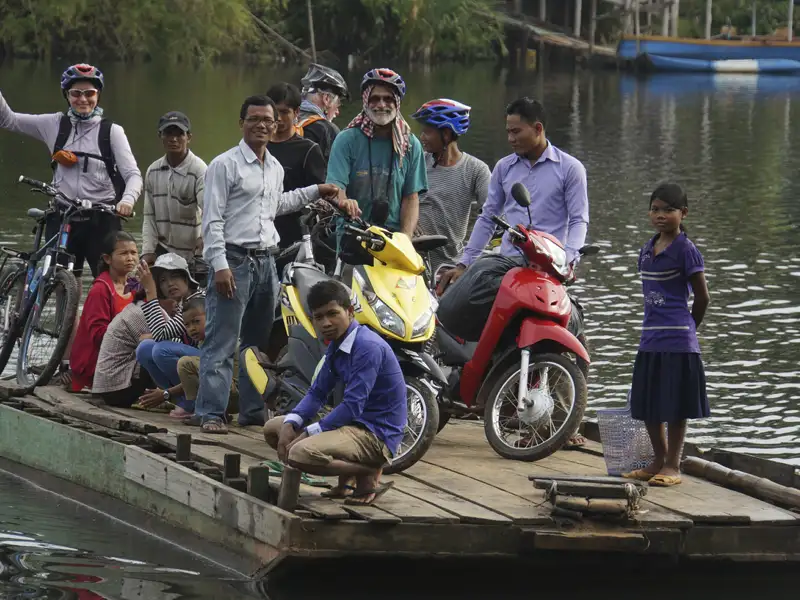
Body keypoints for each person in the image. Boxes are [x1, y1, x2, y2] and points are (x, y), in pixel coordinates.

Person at [188, 95, 357, 434]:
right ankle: (210, 413)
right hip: (234, 261)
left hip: (267, 261)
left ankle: (252, 412)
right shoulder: (225, 165)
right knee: (221, 340)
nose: (263, 125)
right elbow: (212, 221)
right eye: (255, 119)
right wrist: (219, 265)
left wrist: (316, 191)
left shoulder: (274, 167)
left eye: (268, 119)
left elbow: (276, 204)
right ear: (242, 124)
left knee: (255, 343)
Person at [436, 97, 588, 447]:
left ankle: (565, 422)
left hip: (550, 267)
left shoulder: (570, 169)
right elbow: (488, 217)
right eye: (507, 132)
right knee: (470, 290)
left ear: (538, 129)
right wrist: (464, 262)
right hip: (511, 261)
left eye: (516, 131)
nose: (510, 138)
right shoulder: (505, 168)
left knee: (575, 331)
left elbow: (579, 219)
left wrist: (569, 257)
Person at [262, 280, 406, 506]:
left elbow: (352, 406)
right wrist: (292, 422)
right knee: (274, 429)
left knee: (299, 453)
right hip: (350, 425)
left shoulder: (367, 346)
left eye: (333, 313)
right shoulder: (337, 345)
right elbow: (317, 393)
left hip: (375, 433)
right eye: (318, 317)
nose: (326, 323)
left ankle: (368, 471)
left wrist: (309, 432)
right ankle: (347, 483)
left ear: (350, 312)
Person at [0, 63, 142, 278]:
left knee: (110, 283)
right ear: (67, 95)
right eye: (76, 93)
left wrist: (128, 200)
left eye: (89, 93)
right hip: (63, 215)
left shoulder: (112, 132)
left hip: (102, 218)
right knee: (56, 279)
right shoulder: (54, 124)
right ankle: (52, 308)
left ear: (98, 95)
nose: (83, 99)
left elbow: (133, 175)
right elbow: (8, 120)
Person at [623, 183, 710, 488]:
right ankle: (657, 460)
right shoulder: (647, 250)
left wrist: (688, 330)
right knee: (648, 403)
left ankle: (673, 464)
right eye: (655, 209)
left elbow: (702, 298)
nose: (661, 215)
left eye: (668, 210)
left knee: (674, 405)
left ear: (682, 213)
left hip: (678, 340)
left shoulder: (686, 250)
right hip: (650, 338)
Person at [326, 68, 427, 236]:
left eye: (388, 99)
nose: (381, 105)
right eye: (375, 99)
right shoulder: (346, 140)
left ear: (397, 103)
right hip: (353, 233)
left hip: (393, 239)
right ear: (366, 102)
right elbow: (336, 188)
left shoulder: (410, 145)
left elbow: (411, 198)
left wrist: (406, 239)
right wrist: (344, 202)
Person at [410, 99, 491, 272]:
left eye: (427, 132)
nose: (422, 137)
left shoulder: (476, 170)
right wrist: (409, 219)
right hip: (411, 259)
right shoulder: (417, 162)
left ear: (446, 134)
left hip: (449, 265)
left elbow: (492, 212)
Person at [137, 294, 240, 418]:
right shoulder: (202, 341)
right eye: (187, 325)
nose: (192, 328)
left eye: (196, 322)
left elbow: (210, 374)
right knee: (144, 349)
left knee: (179, 359)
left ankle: (195, 406)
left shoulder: (221, 339)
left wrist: (166, 393)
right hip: (215, 387)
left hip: (231, 395)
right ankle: (186, 402)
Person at [68, 231, 140, 392]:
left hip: (123, 355)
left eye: (134, 253)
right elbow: (99, 335)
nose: (130, 258)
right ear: (108, 259)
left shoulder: (136, 286)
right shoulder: (100, 290)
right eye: (123, 253)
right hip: (96, 364)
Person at [135, 253, 201, 418]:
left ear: (186, 279)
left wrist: (150, 290)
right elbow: (165, 336)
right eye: (163, 280)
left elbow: (160, 334)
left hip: (214, 363)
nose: (170, 284)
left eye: (175, 277)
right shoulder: (181, 303)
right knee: (144, 349)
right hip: (196, 362)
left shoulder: (197, 300)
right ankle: (184, 401)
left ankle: (191, 402)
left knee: (161, 350)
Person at [265, 83, 326, 256]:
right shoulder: (257, 147)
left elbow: (319, 198)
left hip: (296, 241)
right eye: (274, 112)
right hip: (260, 237)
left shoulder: (308, 150)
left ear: (297, 113)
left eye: (285, 112)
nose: (278, 118)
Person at [141, 111, 206, 265]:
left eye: (179, 134)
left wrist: (204, 237)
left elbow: (209, 210)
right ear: (160, 136)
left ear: (188, 137)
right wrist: (148, 251)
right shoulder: (153, 170)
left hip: (193, 252)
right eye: (168, 133)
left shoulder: (199, 170)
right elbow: (149, 215)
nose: (173, 139)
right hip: (163, 249)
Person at [298, 63, 350, 162]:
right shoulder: (328, 130)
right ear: (326, 99)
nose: (337, 112)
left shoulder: (285, 121)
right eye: (338, 103)